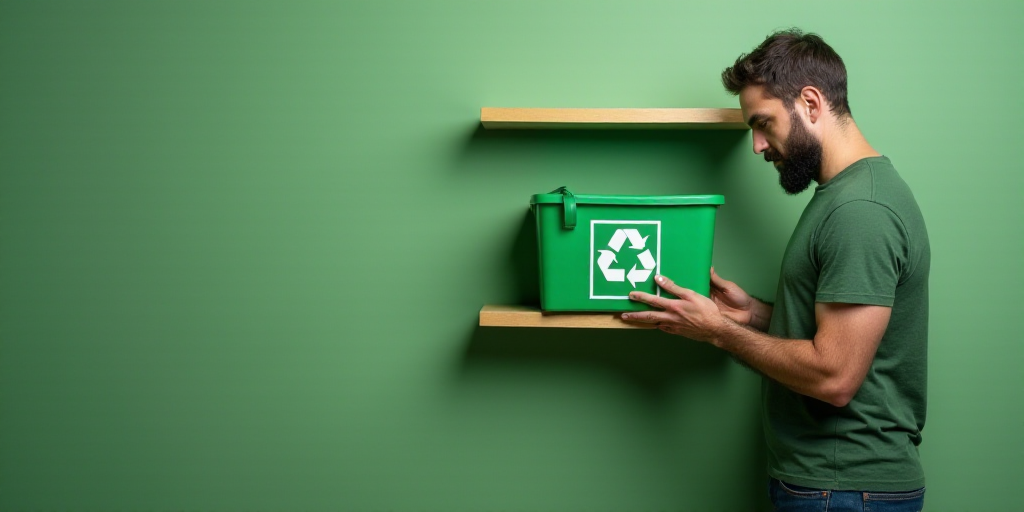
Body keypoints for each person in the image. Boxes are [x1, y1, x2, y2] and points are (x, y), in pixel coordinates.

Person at [622, 29, 930, 511]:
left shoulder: (860, 210)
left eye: (763, 123)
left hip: (843, 490)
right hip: (833, 487)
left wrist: (719, 331)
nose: (757, 145)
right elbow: (837, 340)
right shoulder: (843, 196)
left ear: (810, 102)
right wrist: (752, 315)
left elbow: (835, 376)